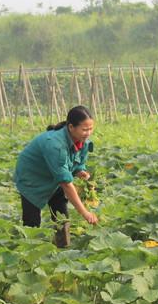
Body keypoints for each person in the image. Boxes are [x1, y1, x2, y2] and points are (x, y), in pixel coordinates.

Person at [14, 105, 99, 246]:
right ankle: (29, 252)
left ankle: (62, 246)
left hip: (53, 176)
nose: (88, 133)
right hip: (32, 176)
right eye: (84, 129)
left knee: (61, 215)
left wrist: (80, 171)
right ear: (71, 127)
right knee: (32, 222)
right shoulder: (55, 145)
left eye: (90, 128)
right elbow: (66, 183)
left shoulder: (83, 142)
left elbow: (77, 163)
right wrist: (85, 213)